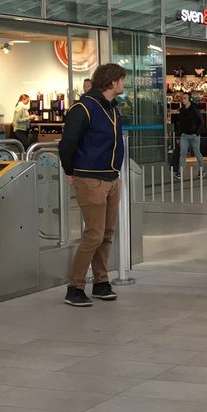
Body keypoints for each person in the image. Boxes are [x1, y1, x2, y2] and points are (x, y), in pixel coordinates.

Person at [58, 64, 126, 307]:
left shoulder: (112, 109)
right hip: (91, 178)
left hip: (111, 178)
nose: (123, 84)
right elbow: (67, 144)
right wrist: (70, 171)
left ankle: (101, 281)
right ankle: (75, 286)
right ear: (112, 82)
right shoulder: (84, 108)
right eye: (121, 79)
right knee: (94, 234)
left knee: (106, 233)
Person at [174, 92, 205, 179]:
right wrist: (179, 136)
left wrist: (197, 133)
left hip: (194, 135)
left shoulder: (195, 109)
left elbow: (202, 122)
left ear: (189, 99)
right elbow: (181, 124)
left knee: (197, 153)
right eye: (182, 98)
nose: (183, 100)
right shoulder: (182, 110)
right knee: (183, 153)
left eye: (185, 98)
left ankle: (202, 170)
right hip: (184, 135)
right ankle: (180, 172)